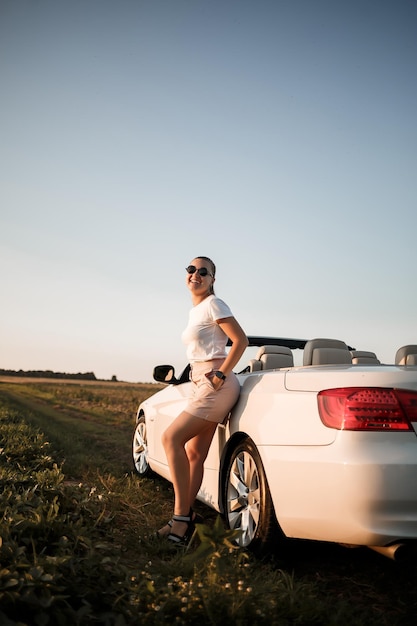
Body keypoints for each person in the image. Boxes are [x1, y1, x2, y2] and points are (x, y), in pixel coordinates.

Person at [159, 256, 248, 545]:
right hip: (200, 381)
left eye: (203, 272)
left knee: (171, 438)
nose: (195, 274)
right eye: (190, 269)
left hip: (215, 384)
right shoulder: (196, 310)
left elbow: (241, 340)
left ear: (212, 280)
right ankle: (183, 518)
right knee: (195, 454)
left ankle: (181, 520)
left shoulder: (214, 304)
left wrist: (221, 374)